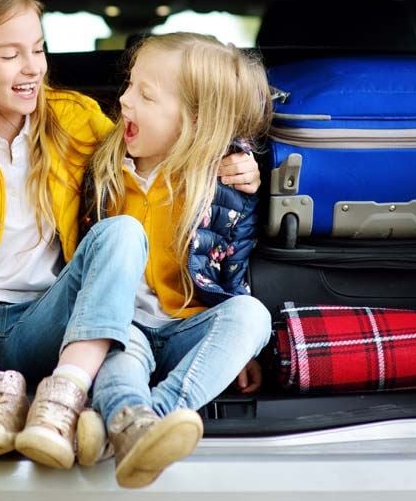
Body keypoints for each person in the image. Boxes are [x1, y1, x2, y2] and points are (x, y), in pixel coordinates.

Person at [0, 0, 262, 470]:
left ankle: (64, 397)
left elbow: (162, 140)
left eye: (39, 49)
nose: (32, 67)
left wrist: (238, 159)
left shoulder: (76, 121)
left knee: (123, 233)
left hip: (48, 320)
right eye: (9, 55)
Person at [75, 32, 273, 488]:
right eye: (128, 85)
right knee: (115, 352)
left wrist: (235, 349)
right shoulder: (105, 169)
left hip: (189, 325)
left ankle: (145, 420)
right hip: (124, 325)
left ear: (195, 121)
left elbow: (232, 266)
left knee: (252, 317)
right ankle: (132, 421)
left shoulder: (224, 181)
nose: (123, 100)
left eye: (145, 95)